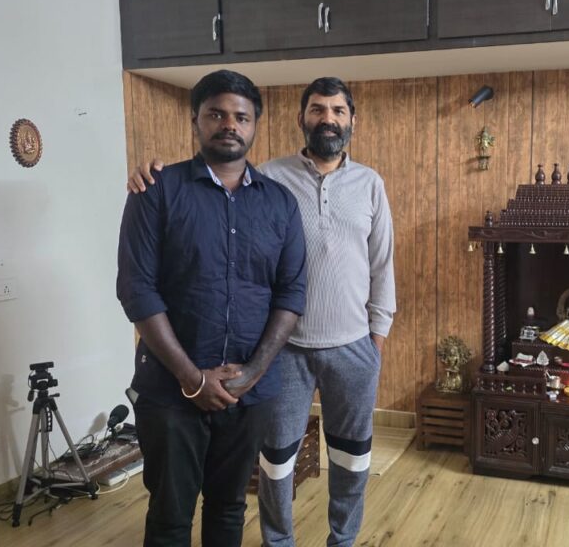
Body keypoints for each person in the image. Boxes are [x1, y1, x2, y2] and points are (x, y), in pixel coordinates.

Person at [128, 76, 396, 547]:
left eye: (338, 110)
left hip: (337, 349)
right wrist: (149, 173)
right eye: (317, 109)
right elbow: (139, 288)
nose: (328, 119)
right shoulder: (268, 178)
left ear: (352, 120)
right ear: (301, 118)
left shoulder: (360, 185)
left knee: (349, 457)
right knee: (273, 462)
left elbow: (378, 264)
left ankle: (344, 539)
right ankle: (278, 541)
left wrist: (376, 337)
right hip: (280, 353)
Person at [117, 69, 307, 547]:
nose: (229, 125)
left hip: (249, 394)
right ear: (195, 121)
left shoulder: (280, 204)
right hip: (170, 391)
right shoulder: (156, 191)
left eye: (241, 117)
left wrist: (252, 374)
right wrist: (192, 378)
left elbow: (291, 294)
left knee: (228, 508)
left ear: (255, 125)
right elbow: (137, 291)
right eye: (216, 114)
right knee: (169, 516)